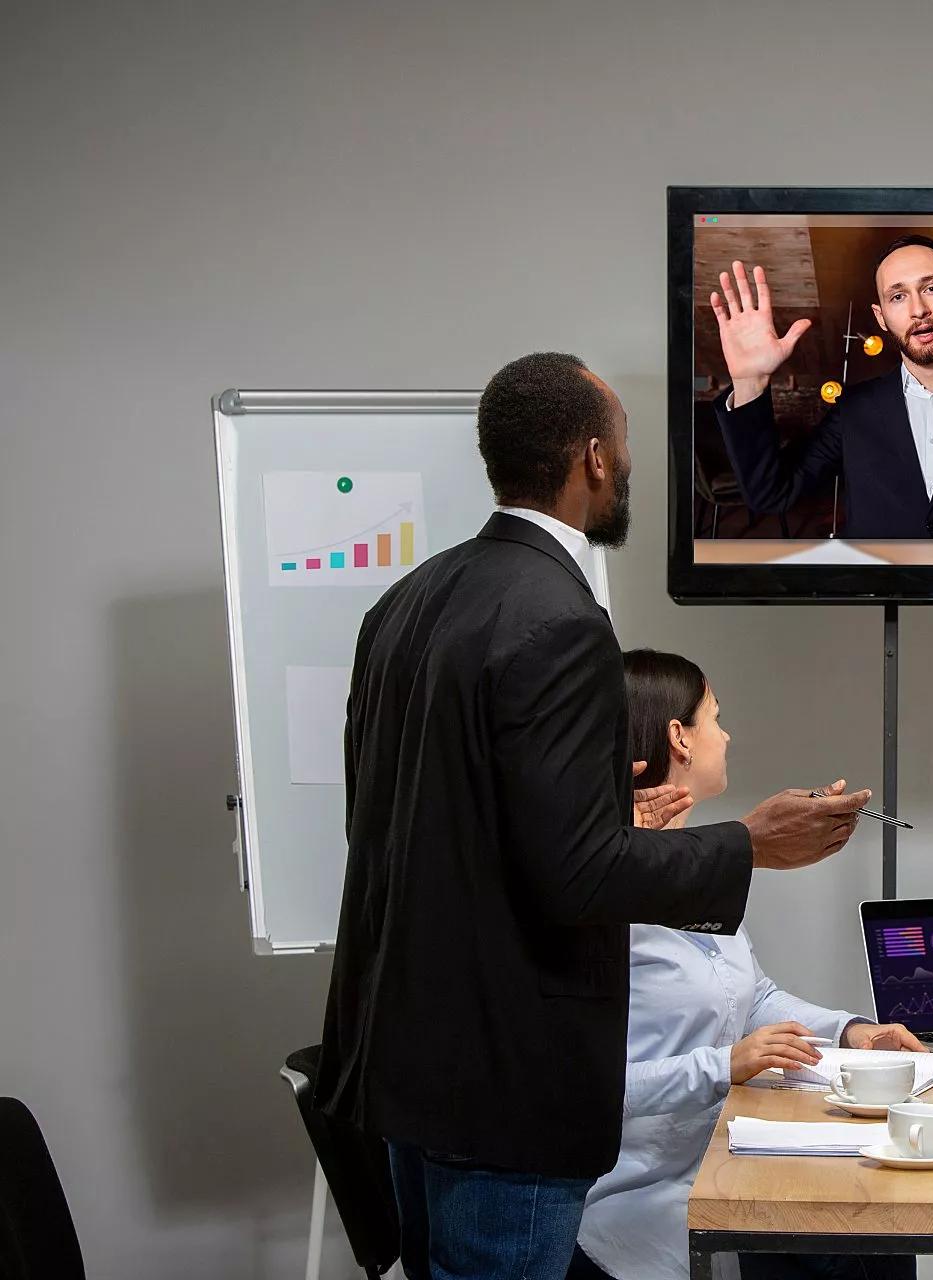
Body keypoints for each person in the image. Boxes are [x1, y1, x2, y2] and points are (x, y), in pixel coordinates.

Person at [317, 352, 875, 1280]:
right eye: (622, 445)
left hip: (406, 1069)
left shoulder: (405, 603)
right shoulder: (561, 619)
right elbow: (575, 875)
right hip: (508, 1090)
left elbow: (388, 830)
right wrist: (750, 844)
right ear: (594, 458)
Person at [569, 649, 921, 1280]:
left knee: (877, 1234)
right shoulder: (600, 894)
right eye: (715, 717)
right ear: (678, 737)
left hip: (726, 1165)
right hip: (638, 1199)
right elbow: (582, 1087)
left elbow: (751, 998)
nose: (727, 735)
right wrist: (724, 1065)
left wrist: (852, 1031)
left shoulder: (693, 868)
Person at [710, 235, 933, 540]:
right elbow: (773, 495)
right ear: (880, 317)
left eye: (932, 288)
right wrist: (749, 381)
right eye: (897, 296)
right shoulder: (854, 408)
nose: (919, 309)